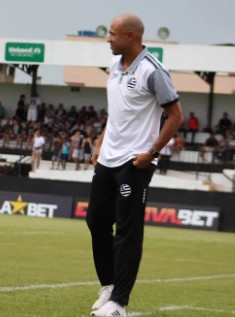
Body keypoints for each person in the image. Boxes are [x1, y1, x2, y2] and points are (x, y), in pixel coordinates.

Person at [86, 14, 183, 317]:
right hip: (107, 158)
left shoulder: (153, 71)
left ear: (130, 36)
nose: (108, 39)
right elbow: (117, 113)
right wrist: (101, 141)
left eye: (112, 34)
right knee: (96, 221)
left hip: (134, 162)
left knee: (127, 232)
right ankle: (109, 285)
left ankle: (118, 304)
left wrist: (151, 153)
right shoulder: (115, 68)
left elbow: (176, 116)